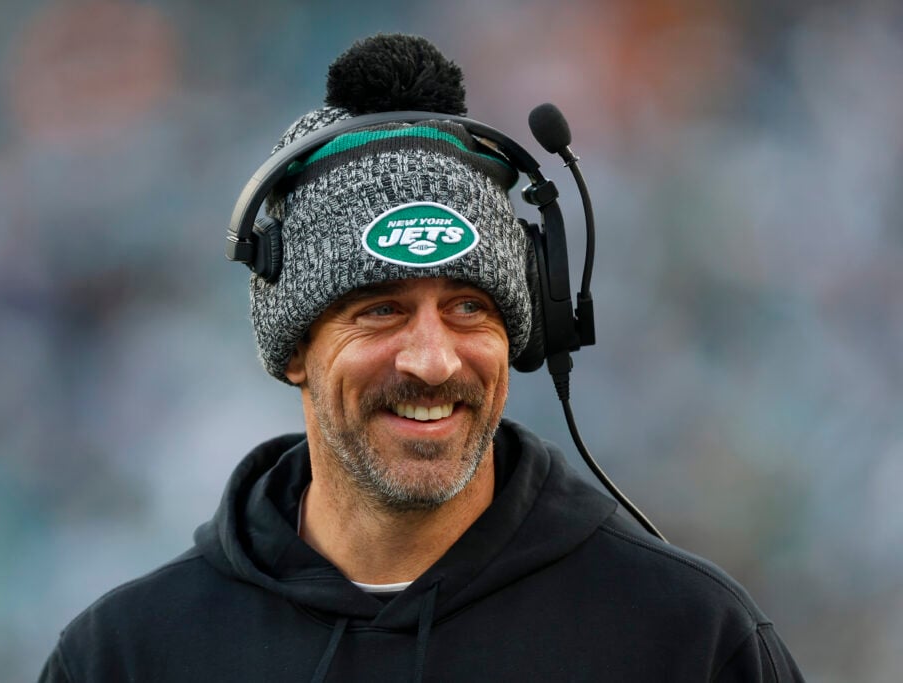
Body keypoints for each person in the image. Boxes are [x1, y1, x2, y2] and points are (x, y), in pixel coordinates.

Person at [39, 34, 805, 682]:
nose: (434, 360)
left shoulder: (689, 642)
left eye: (469, 307)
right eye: (381, 310)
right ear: (295, 346)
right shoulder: (127, 657)